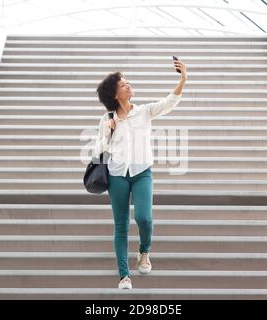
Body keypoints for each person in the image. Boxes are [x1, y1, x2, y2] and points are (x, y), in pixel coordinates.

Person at [93, 58, 187, 289]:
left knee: (144, 218)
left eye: (128, 82)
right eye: (123, 84)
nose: (128, 85)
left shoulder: (143, 111)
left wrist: (183, 78)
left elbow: (168, 103)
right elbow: (98, 152)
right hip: (116, 175)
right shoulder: (107, 120)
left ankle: (144, 252)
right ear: (115, 94)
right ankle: (124, 275)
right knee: (121, 225)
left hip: (142, 172)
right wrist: (108, 132)